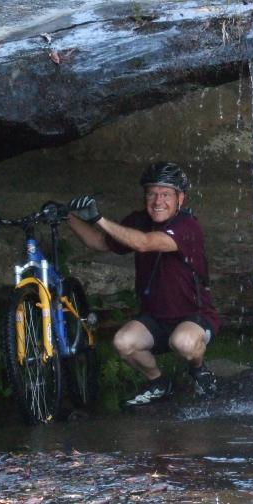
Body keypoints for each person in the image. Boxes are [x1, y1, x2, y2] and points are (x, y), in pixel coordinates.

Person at [67, 162, 220, 407]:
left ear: (180, 198)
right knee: (123, 343)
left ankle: (199, 370)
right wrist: (69, 216)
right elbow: (99, 241)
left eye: (166, 194)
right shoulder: (138, 220)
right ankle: (159, 382)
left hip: (194, 316)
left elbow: (145, 243)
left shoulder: (187, 225)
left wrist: (99, 218)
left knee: (183, 343)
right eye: (152, 193)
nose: (158, 201)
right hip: (155, 319)